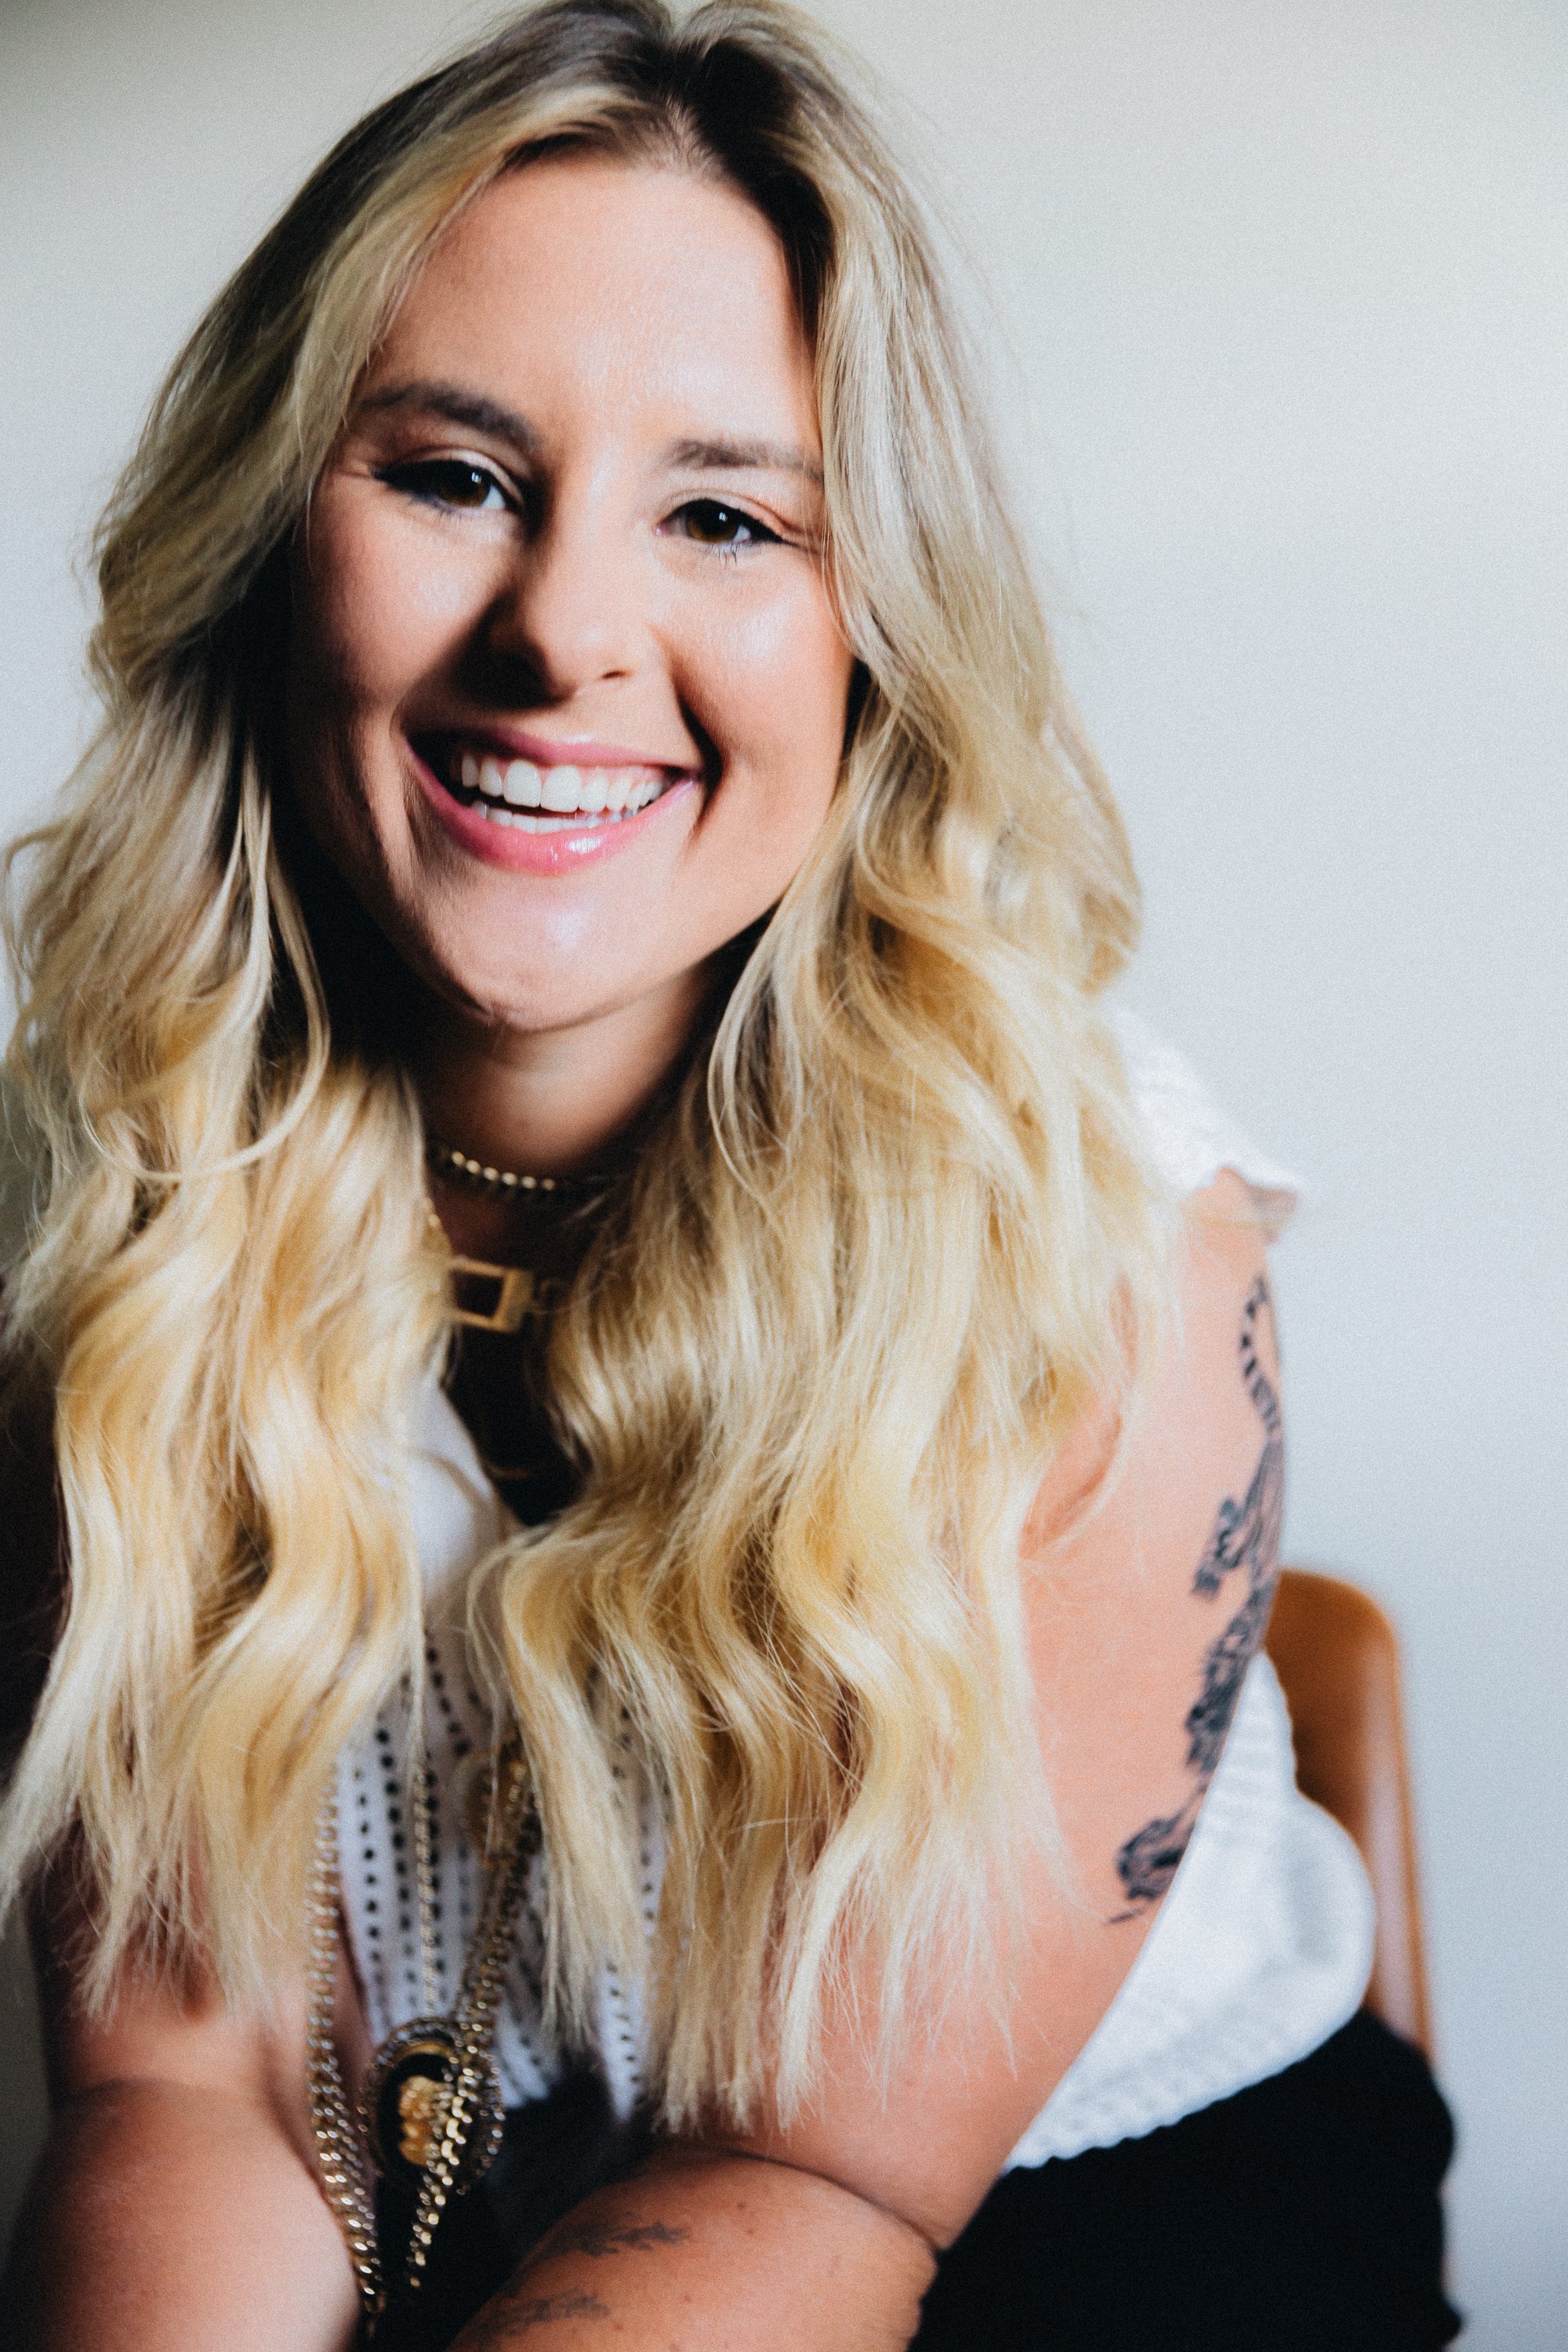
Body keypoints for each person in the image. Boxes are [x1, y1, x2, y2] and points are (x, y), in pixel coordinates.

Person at [0, 4, 1457, 2347]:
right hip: (449, 2204)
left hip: (1080, 2223)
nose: (567, 634)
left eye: (724, 518)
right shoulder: (111, 1185)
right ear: (270, 538)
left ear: (875, 629)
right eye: (453, 474)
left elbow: (804, 2182)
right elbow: (193, 2088)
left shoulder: (1108, 1245)